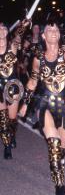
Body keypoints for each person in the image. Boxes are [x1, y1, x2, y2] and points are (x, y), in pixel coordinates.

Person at [19, 17, 65, 195]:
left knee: (63, 146)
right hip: (44, 102)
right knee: (53, 144)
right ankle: (60, 185)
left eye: (56, 30)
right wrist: (25, 104)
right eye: (49, 30)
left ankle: (57, 161)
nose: (53, 33)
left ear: (59, 35)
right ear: (44, 36)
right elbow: (32, 81)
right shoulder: (38, 58)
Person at [0, 19, 30, 159]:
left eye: (4, 28)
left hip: (12, 86)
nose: (2, 30)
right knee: (3, 119)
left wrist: (22, 27)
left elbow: (18, 38)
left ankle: (11, 136)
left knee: (12, 119)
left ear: (7, 31)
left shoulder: (12, 46)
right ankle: (7, 145)